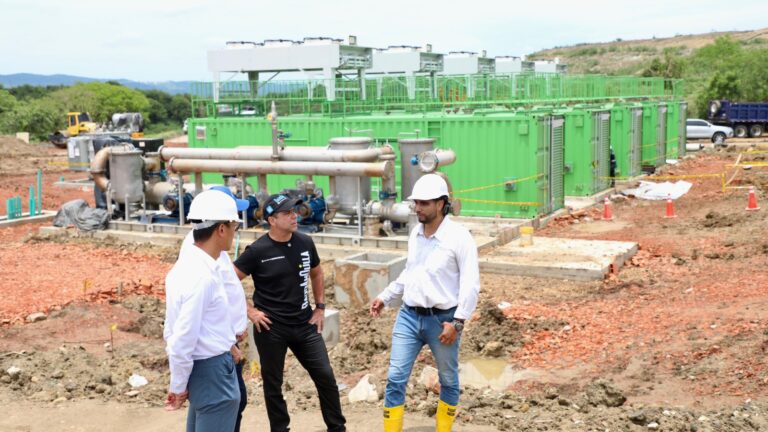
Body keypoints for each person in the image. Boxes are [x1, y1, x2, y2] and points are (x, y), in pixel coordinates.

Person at [369, 174, 480, 432]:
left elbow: (470, 285)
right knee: (395, 378)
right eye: (416, 202)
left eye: (424, 203)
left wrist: (458, 322)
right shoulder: (416, 232)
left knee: (449, 380)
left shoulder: (459, 237)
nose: (417, 208)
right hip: (409, 316)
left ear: (441, 204)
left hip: (443, 320)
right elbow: (411, 271)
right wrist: (385, 297)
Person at [234, 194, 346, 432]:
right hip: (271, 328)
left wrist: (320, 308)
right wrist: (250, 311)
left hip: (305, 324)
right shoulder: (257, 250)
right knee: (273, 383)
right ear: (272, 220)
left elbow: (317, 273)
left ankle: (337, 428)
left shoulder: (305, 242)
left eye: (294, 212)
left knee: (325, 376)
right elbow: (228, 282)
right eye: (287, 213)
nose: (294, 216)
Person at [163, 190, 243, 432]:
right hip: (213, 374)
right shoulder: (203, 277)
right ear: (220, 229)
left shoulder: (187, 267)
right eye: (233, 227)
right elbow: (181, 340)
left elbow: (174, 328)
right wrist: (177, 386)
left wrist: (228, 342)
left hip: (207, 370)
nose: (234, 233)